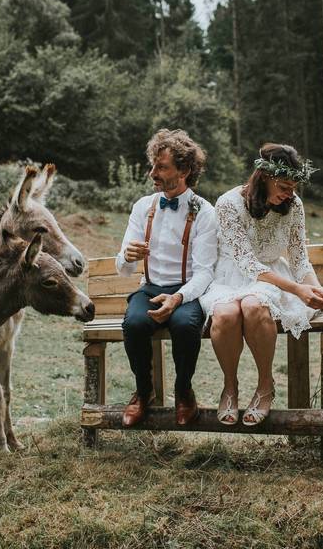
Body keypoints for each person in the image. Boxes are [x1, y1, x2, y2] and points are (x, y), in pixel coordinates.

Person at [200, 143, 323, 426]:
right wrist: (298, 290)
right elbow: (248, 265)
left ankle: (265, 385)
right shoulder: (228, 204)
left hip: (272, 280)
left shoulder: (294, 206)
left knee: (254, 305)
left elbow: (299, 260)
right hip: (229, 277)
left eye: (294, 188)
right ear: (264, 176)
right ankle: (230, 385)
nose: (290, 194)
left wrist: (316, 288)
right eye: (285, 187)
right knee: (226, 314)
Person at [116, 129, 217, 427]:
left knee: (185, 325)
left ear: (184, 170)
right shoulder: (142, 207)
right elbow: (124, 268)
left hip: (187, 291)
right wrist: (127, 257)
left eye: (161, 167)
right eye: (153, 166)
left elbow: (205, 273)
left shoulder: (204, 212)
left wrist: (177, 298)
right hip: (149, 288)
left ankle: (184, 391)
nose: (152, 174)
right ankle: (143, 392)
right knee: (133, 323)